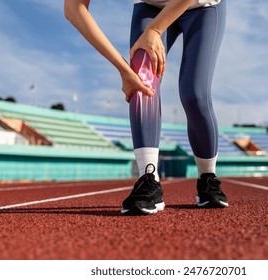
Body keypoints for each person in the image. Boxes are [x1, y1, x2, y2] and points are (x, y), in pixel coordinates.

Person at [64, 0, 228, 215]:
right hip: (150, 6)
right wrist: (124, 70)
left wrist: (155, 29)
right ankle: (148, 178)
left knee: (194, 94)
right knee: (141, 81)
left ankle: (207, 177)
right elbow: (73, 9)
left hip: (203, 7)